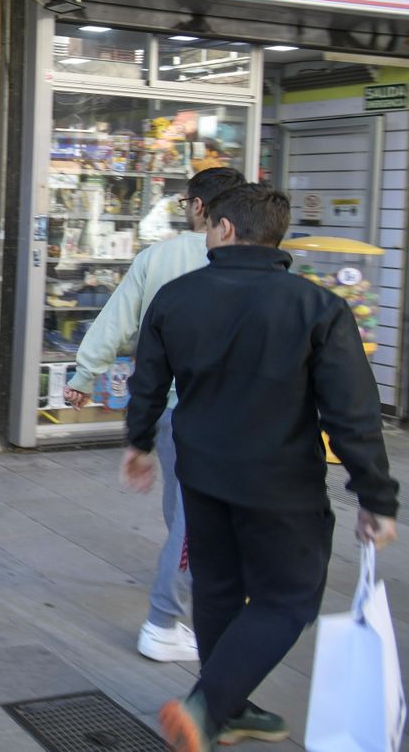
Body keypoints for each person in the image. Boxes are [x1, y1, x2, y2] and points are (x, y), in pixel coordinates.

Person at [123, 184, 398, 752]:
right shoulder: (317, 306)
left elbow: (148, 380)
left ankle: (227, 707)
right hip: (280, 483)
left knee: (219, 588)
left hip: (201, 473)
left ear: (223, 228)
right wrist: (376, 495)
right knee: (288, 598)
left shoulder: (176, 297)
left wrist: (139, 442)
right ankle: (206, 707)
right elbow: (352, 412)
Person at [63, 166, 245, 663]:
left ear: (200, 208)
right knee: (194, 519)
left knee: (182, 511)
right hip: (221, 411)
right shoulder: (251, 261)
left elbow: (118, 320)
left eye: (188, 202)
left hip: (167, 405)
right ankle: (165, 619)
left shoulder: (158, 256)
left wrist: (84, 376)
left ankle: (181, 595)